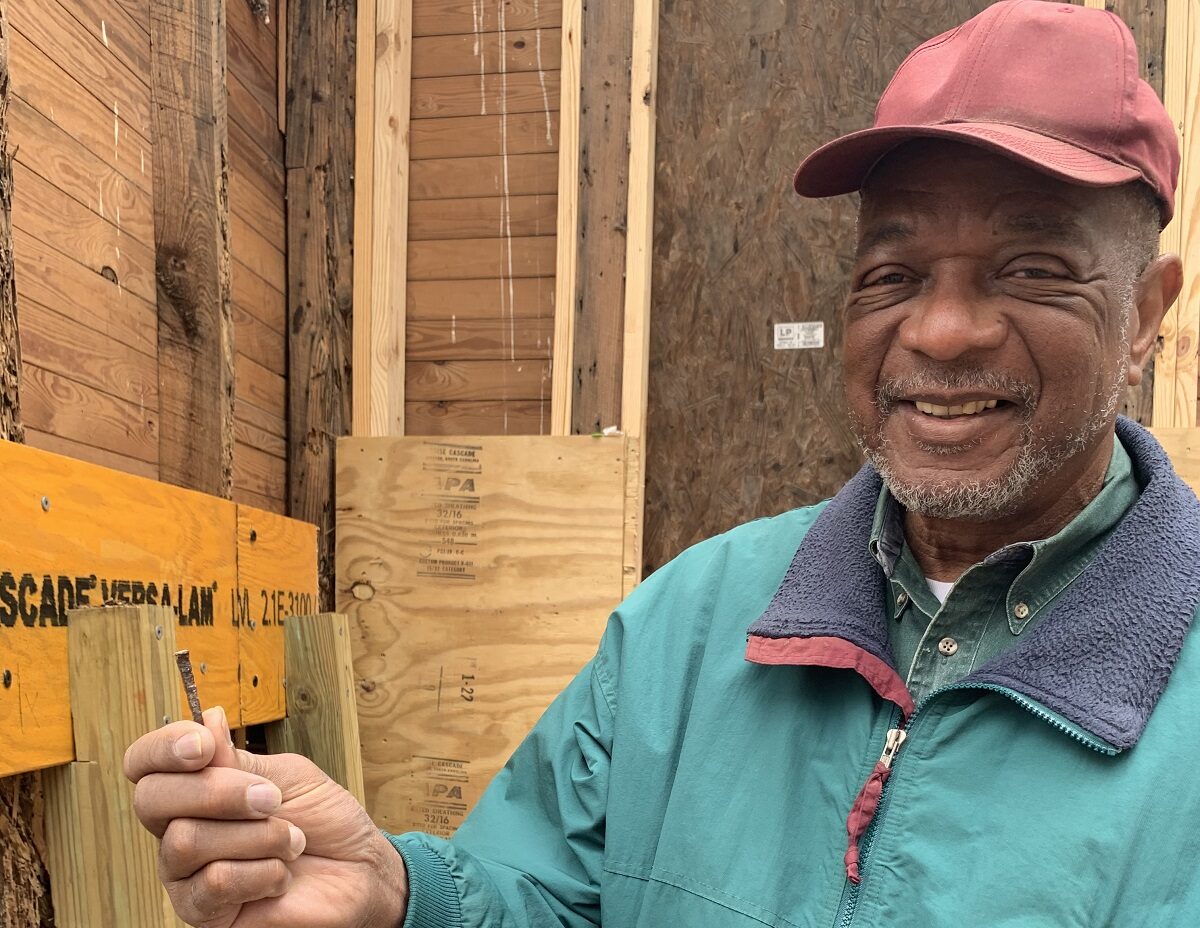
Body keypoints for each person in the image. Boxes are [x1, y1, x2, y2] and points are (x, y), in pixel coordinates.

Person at [124, 1, 1200, 925]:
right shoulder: (689, 626)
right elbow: (547, 893)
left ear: (1147, 311)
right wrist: (400, 891)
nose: (943, 329)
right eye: (895, 271)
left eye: (1029, 267)